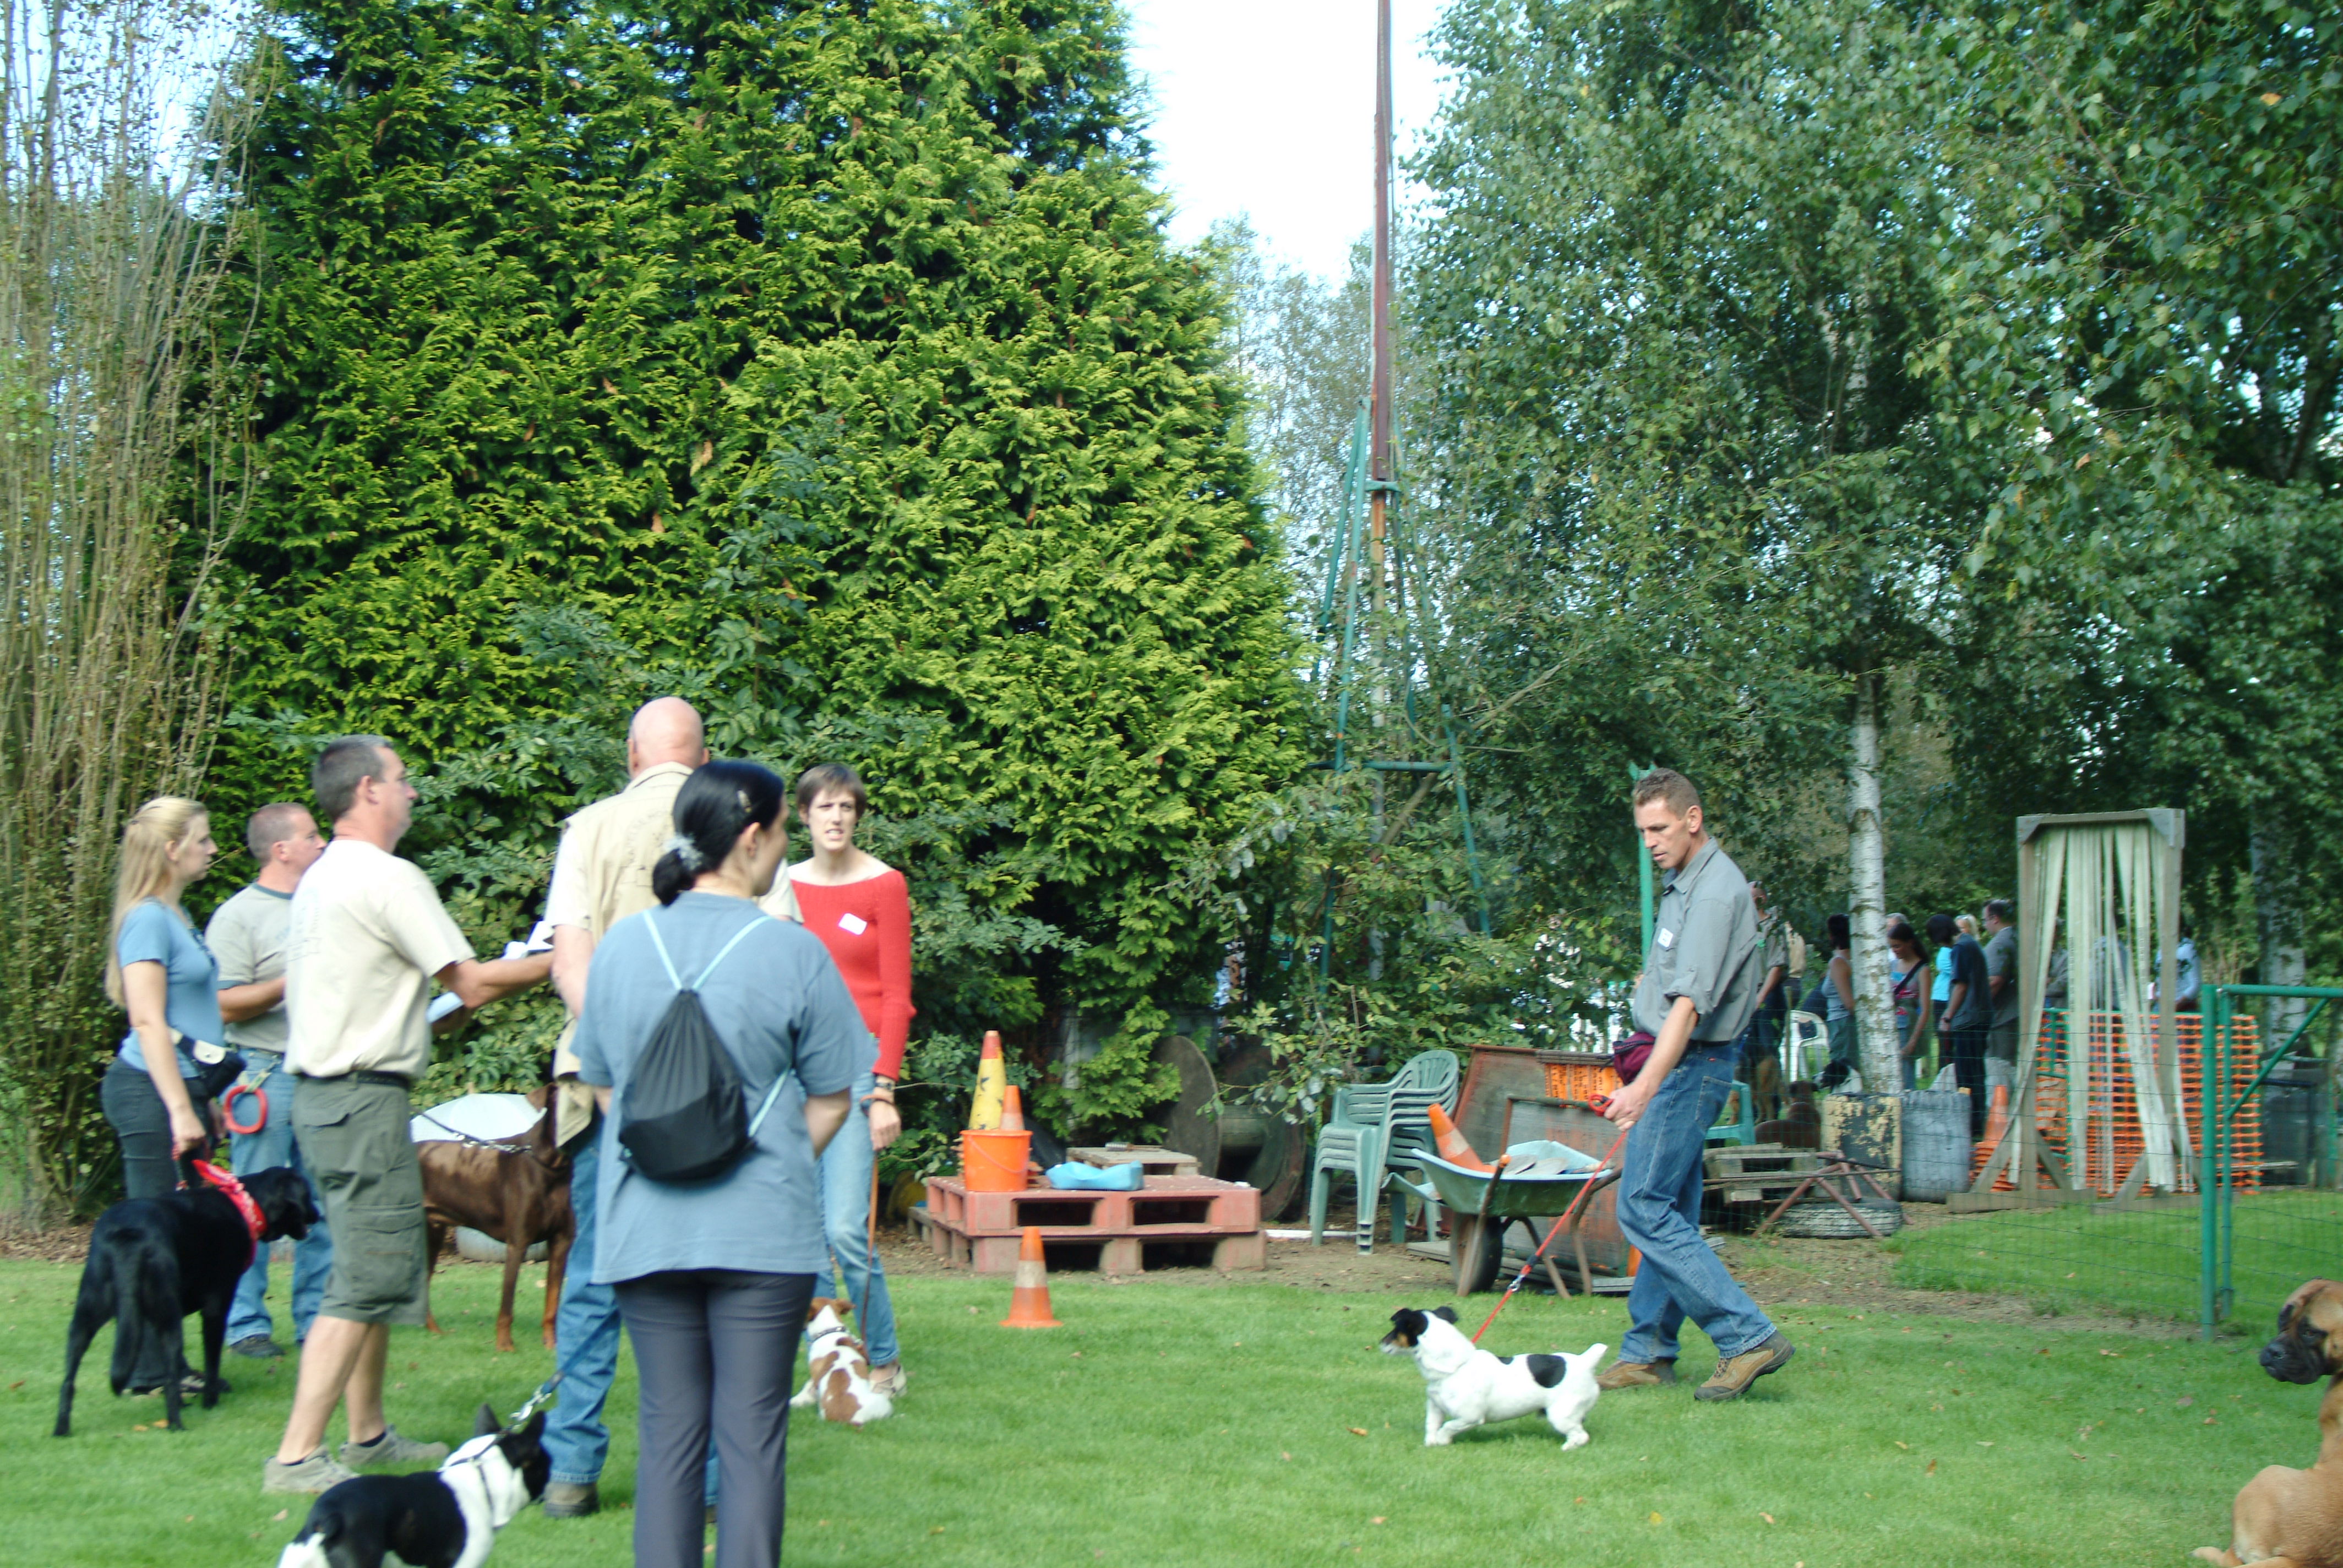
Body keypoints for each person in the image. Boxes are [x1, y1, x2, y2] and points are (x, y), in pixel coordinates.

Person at [571, 761, 865, 1568]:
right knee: (751, 1436)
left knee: (668, 1433)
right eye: (782, 831)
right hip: (761, 1232)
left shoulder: (623, 947)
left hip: (645, 1225)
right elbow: (833, 1098)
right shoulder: (794, 952)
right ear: (752, 837)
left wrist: (670, 1146)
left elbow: (603, 1085)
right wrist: (766, 1157)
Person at [266, 736, 551, 1495]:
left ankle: (367, 1435)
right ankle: (296, 1457)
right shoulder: (387, 876)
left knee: (370, 1265)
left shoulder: (323, 879)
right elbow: (474, 982)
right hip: (360, 1100)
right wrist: (564, 957)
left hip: (329, 1100)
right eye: (401, 779)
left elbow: (404, 998)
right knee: (368, 1272)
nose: (413, 792)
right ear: (368, 790)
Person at [537, 696, 731, 1519]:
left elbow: (567, 964)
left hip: (604, 1089)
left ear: (631, 756)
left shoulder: (587, 829)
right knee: (707, 1280)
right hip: (710, 1096)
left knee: (594, 1275)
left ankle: (571, 1472)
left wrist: (622, 1063)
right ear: (704, 756)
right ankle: (709, 1482)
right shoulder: (733, 823)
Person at [1595, 769, 1792, 1402]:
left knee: (1641, 1204)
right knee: (1669, 1208)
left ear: (1692, 819)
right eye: (1642, 831)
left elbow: (1687, 1008)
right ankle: (1649, 1351)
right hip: (1677, 1060)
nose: (1649, 842)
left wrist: (1642, 1089)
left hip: (1691, 1065)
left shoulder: (1713, 894)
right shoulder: (1685, 882)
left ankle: (1746, 1335)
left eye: (1658, 828)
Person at [786, 762, 911, 1397]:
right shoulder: (782, 887)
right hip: (792, 1067)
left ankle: (884, 1359)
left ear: (857, 815)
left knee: (843, 1228)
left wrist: (882, 1087)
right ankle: (827, 1362)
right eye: (824, 806)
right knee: (802, 1232)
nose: (835, 817)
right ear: (803, 815)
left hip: (858, 1065)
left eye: (846, 807)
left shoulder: (884, 885)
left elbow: (895, 996)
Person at [100, 796, 225, 1394]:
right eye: (202, 840)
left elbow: (190, 1017)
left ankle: (167, 1362)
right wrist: (179, 1109)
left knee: (180, 1235)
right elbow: (148, 1022)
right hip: (149, 1093)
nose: (212, 849)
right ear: (172, 849)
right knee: (154, 1237)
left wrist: (205, 1099)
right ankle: (151, 1370)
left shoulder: (176, 914)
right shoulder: (148, 919)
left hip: (181, 1090)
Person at [210, 803, 335, 1359]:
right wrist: (292, 980)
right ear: (281, 849)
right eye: (311, 835)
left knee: (322, 1203)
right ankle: (245, 1325)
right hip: (264, 1075)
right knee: (250, 1206)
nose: (323, 843)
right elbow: (226, 1004)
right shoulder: (239, 916)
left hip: (324, 1071)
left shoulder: (329, 904)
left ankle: (318, 1323)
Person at [1931, 912, 1990, 1136]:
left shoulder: (1960, 948)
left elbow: (1961, 986)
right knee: (1975, 1073)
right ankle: (1976, 1121)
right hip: (1979, 1016)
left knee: (1967, 1076)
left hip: (1968, 1020)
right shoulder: (1970, 943)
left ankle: (1972, 1123)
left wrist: (1947, 1016)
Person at [1737, 883, 1788, 1120]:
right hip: (1748, 997)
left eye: (1751, 898)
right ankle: (1753, 1115)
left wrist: (1761, 996)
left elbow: (1777, 966)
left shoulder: (1773, 928)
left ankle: (1773, 1115)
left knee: (1768, 1056)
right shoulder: (1743, 927)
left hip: (1769, 997)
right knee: (1748, 1056)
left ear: (1761, 899)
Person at [1981, 898, 2021, 1092]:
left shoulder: (2000, 942)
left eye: (1985, 920)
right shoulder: (2018, 937)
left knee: (1999, 1070)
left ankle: (2001, 1107)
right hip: (2015, 1013)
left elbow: (1994, 980)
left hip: (2002, 1018)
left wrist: (1979, 1008)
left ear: (1995, 918)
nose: (1985, 925)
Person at [1888, 921, 1930, 1088]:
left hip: (1907, 1025)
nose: (1894, 950)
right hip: (1889, 1023)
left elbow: (1925, 1010)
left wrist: (1913, 1042)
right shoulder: (1892, 965)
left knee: (1905, 1076)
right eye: (1892, 947)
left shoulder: (1922, 970)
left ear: (1910, 943)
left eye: (1898, 946)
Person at [1818, 914, 1856, 1089]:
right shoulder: (1849, 961)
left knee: (1841, 1075)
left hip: (1842, 1025)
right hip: (1841, 1025)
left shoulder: (1839, 963)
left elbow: (1849, 1003)